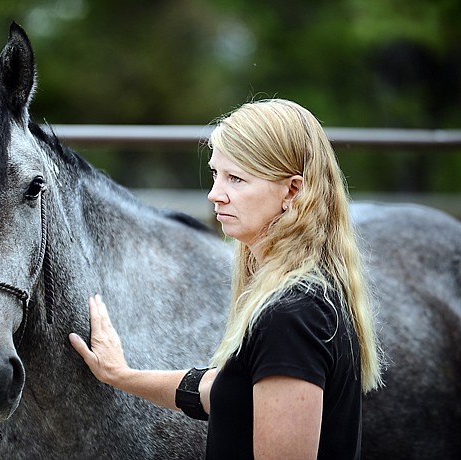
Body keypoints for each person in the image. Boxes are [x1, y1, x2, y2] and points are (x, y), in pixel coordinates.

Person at [69, 98, 383, 459]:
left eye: (236, 178)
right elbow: (226, 390)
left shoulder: (292, 315)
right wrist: (120, 375)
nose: (215, 194)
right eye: (216, 173)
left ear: (292, 191)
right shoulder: (298, 295)